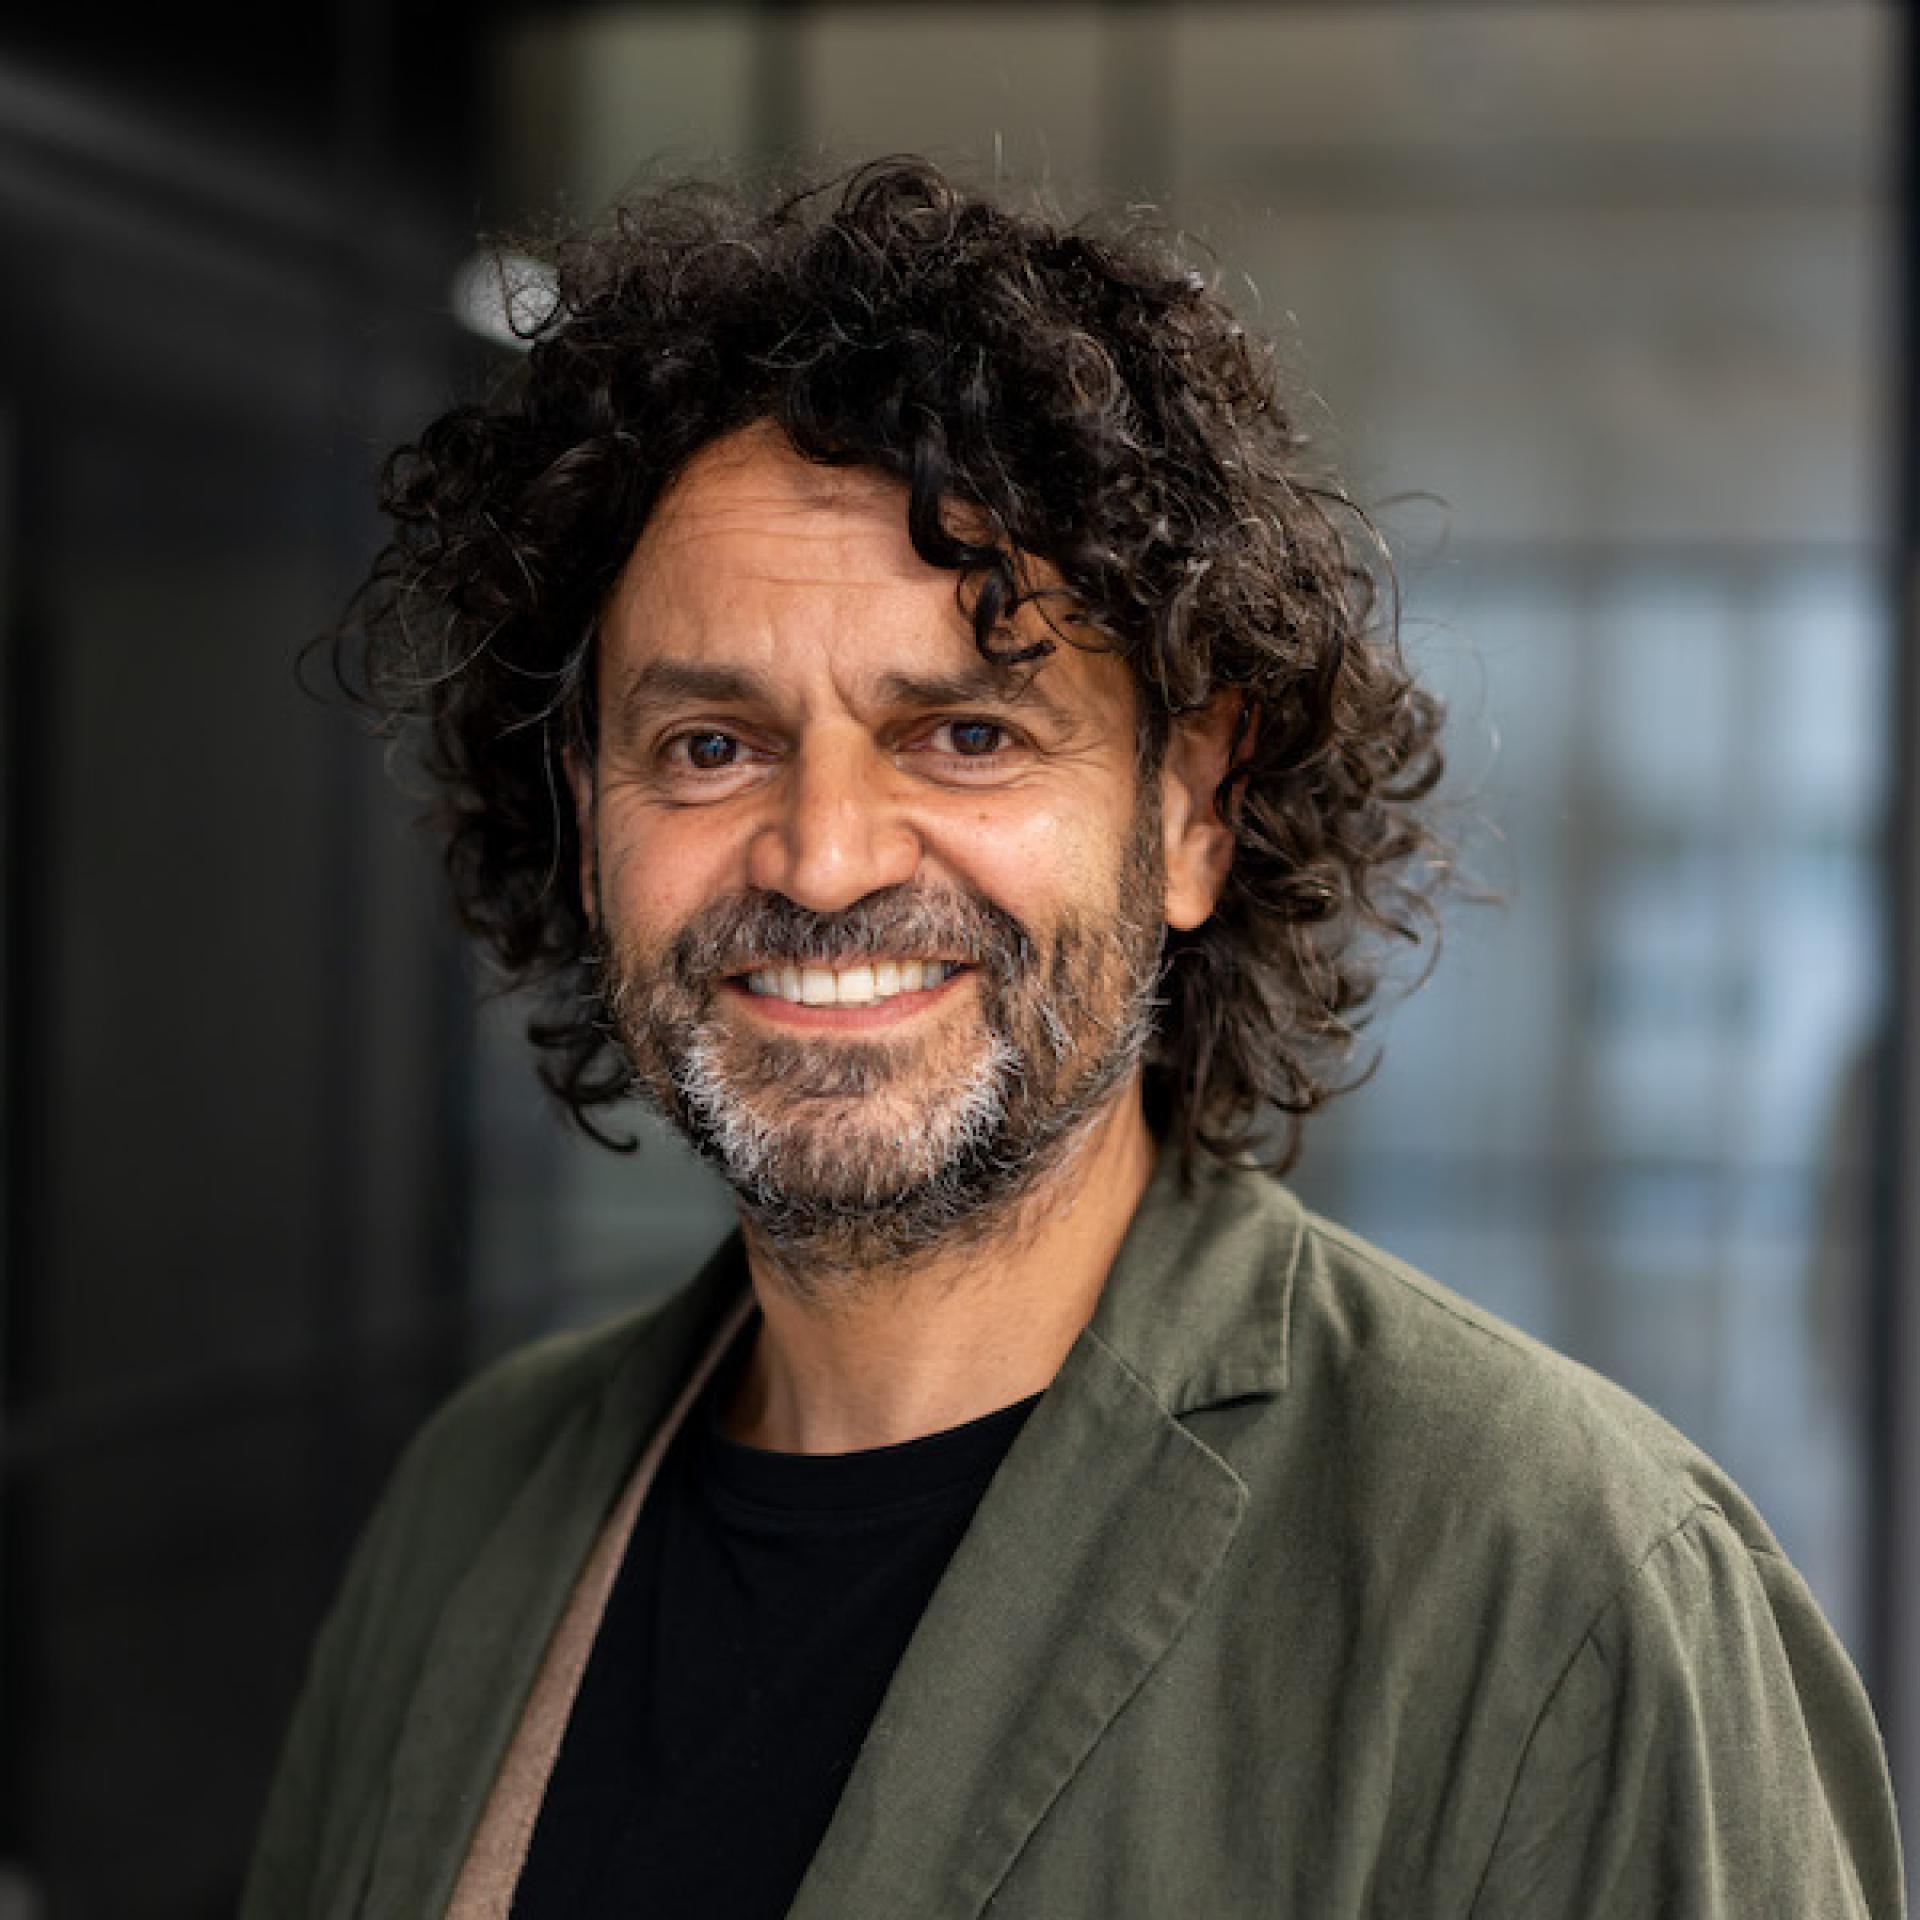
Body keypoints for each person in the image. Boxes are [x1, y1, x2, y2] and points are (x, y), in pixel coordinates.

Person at [243, 159, 1905, 1919]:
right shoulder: (475, 1510)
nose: (822, 858)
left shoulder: (1564, 1591)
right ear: (585, 814)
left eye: (964, 735)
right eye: (712, 745)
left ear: (1193, 808)